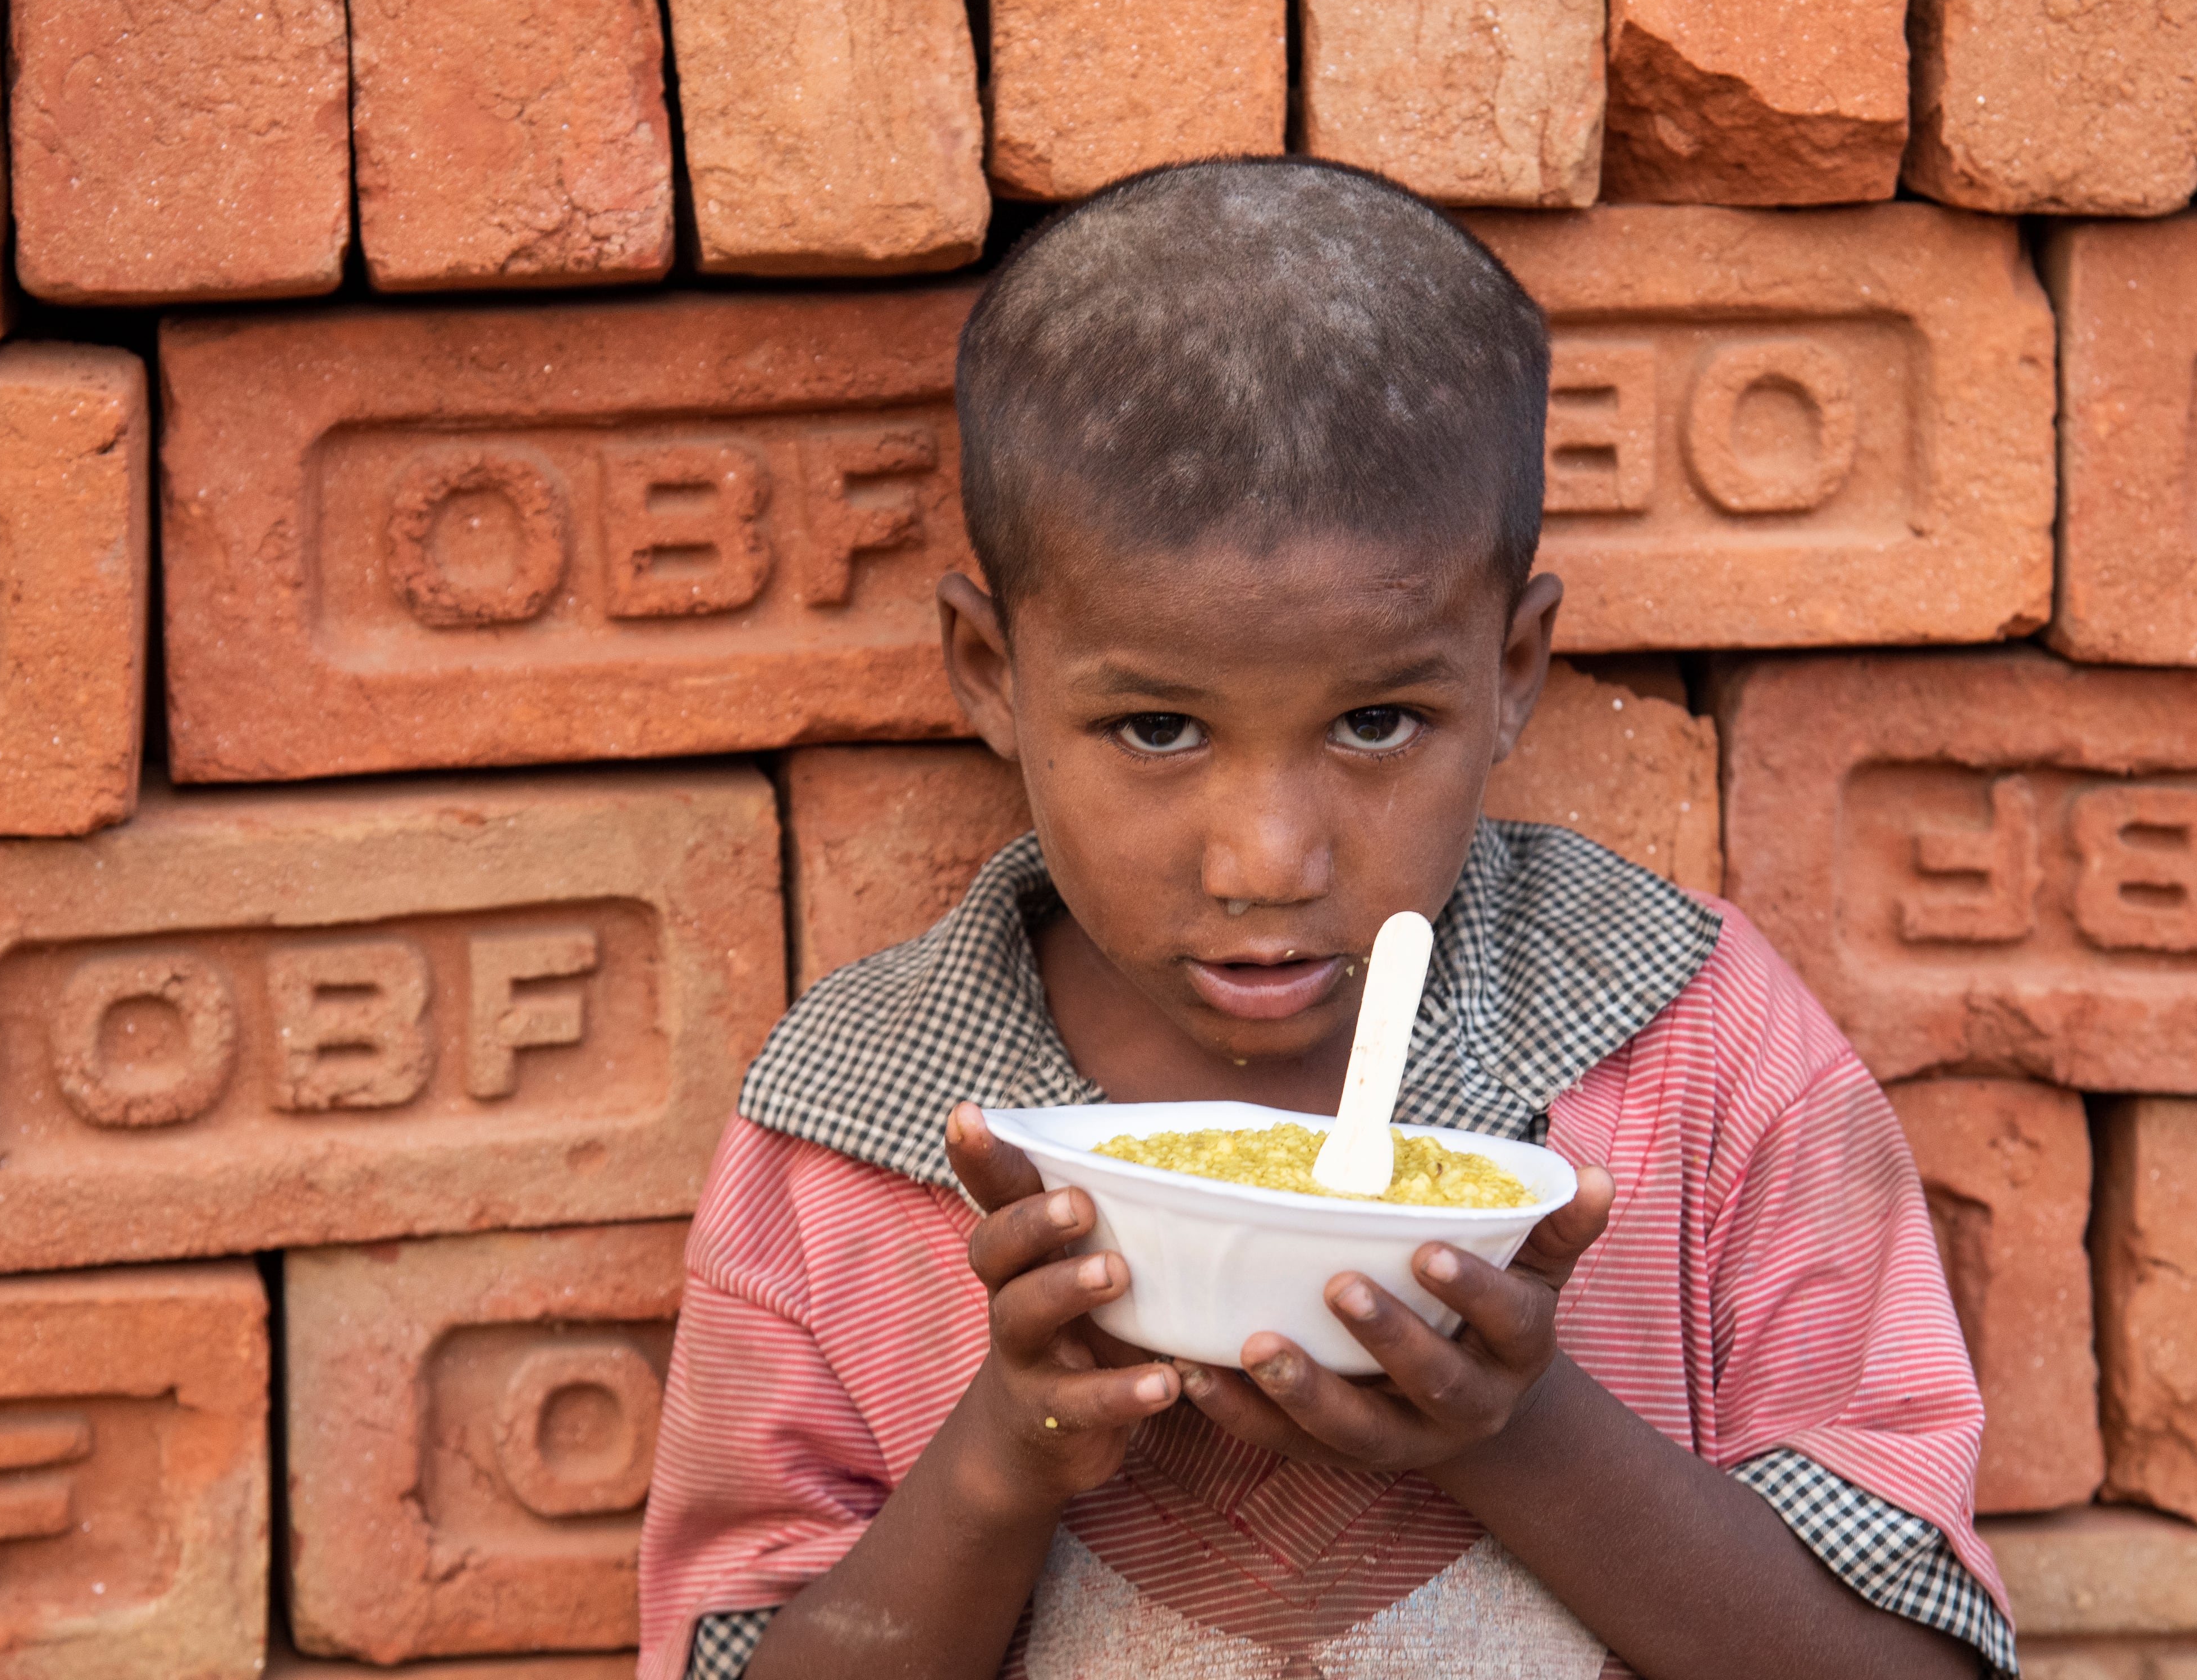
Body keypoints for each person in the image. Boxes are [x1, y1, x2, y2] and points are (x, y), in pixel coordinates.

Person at [634, 158, 2015, 1679]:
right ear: (986, 671)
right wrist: (996, 1463)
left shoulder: (1694, 1051)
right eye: (1157, 728)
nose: (1270, 859)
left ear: (1514, 668)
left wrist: (1521, 1430)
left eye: (1373, 721)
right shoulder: (853, 1129)